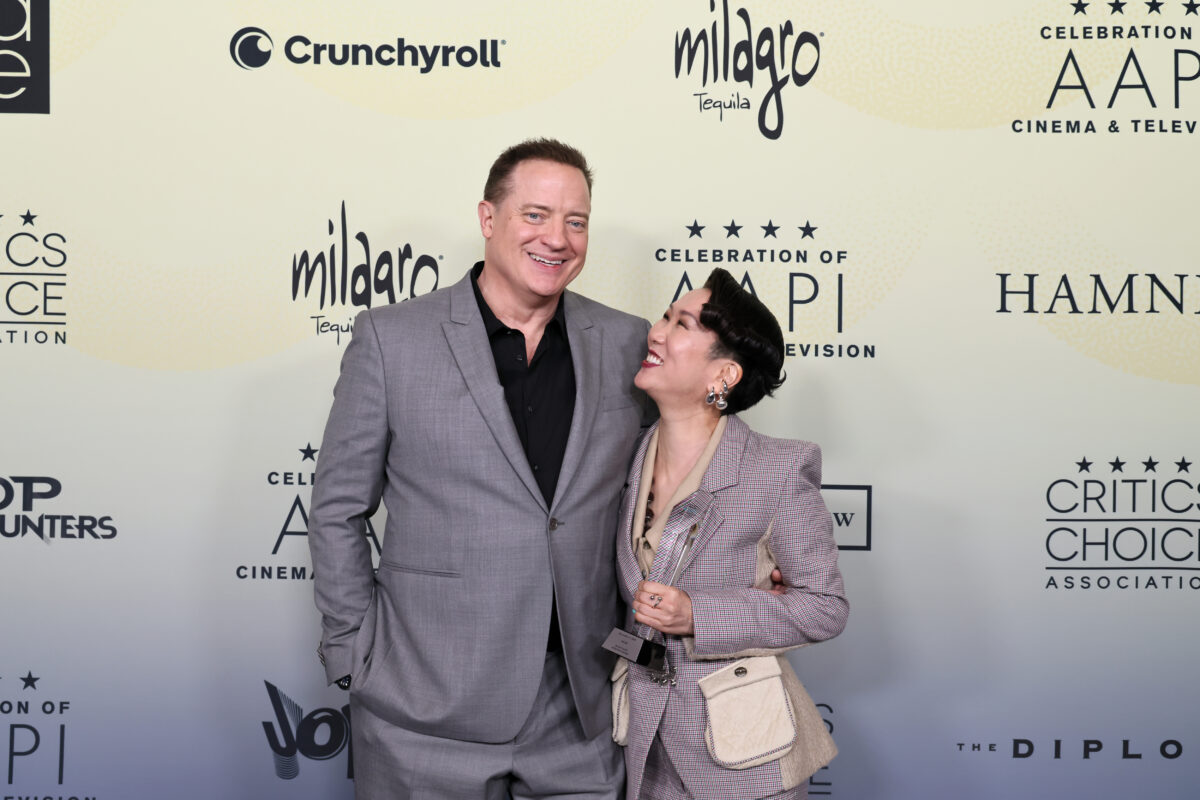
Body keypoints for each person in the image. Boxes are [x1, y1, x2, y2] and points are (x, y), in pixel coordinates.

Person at [307, 139, 653, 799]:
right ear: (488, 219)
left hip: (580, 707)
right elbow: (336, 509)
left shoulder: (625, 341)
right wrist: (357, 654)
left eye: (575, 221)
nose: (558, 238)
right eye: (535, 215)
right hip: (424, 707)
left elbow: (667, 487)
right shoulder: (392, 338)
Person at [613, 267, 849, 800]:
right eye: (666, 316)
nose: (656, 331)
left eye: (681, 324)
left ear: (724, 375)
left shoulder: (778, 469)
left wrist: (699, 614)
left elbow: (824, 606)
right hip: (640, 748)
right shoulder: (624, 454)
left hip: (742, 755)